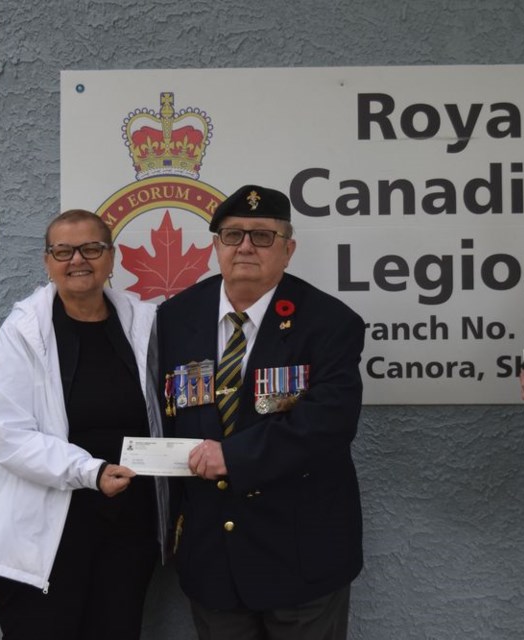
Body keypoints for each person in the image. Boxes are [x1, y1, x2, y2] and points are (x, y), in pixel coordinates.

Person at [157, 184, 365, 640]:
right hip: (212, 554)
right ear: (215, 247)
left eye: (262, 236)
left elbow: (329, 423)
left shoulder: (329, 323)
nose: (246, 246)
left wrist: (233, 457)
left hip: (300, 553)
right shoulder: (174, 318)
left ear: (289, 250)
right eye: (232, 235)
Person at [0, 209, 168, 640]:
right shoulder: (23, 331)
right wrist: (90, 471)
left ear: (111, 258)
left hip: (126, 527)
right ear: (48, 262)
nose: (78, 259)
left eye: (91, 248)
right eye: (63, 251)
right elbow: (8, 434)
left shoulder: (144, 323)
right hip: (44, 530)